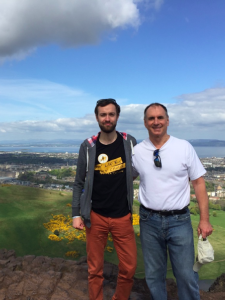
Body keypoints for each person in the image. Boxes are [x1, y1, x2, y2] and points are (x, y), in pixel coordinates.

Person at [132, 103, 213, 300]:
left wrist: (204, 219)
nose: (156, 122)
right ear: (145, 123)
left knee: (186, 274)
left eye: (160, 118)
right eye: (151, 118)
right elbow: (125, 180)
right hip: (148, 220)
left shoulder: (183, 147)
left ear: (167, 121)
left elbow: (199, 183)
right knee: (153, 275)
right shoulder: (137, 151)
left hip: (179, 220)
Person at [72, 98, 137, 300]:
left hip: (122, 215)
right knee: (94, 269)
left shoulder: (130, 142)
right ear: (97, 117)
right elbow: (78, 182)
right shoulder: (88, 146)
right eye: (103, 115)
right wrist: (76, 214)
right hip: (95, 216)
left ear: (117, 116)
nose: (107, 118)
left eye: (111, 114)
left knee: (129, 267)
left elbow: (140, 169)